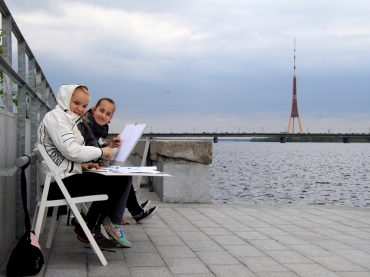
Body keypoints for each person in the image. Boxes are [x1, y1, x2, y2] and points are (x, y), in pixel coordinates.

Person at [38, 84, 132, 248]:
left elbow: (63, 155)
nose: (80, 109)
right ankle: (89, 228)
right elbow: (72, 151)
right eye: (76, 103)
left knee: (118, 179)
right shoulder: (56, 117)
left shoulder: (65, 119)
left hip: (61, 179)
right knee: (118, 181)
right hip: (55, 185)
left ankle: (89, 226)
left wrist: (83, 166)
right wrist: (102, 152)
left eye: (84, 105)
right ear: (65, 99)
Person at [78, 97, 157, 224]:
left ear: (111, 118)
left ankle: (135, 210)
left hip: (82, 169)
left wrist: (109, 146)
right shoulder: (86, 125)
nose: (103, 116)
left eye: (108, 114)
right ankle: (120, 216)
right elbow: (91, 153)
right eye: (101, 111)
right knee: (121, 178)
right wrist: (108, 149)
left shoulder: (94, 126)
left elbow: (94, 150)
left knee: (122, 176)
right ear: (93, 110)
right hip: (79, 174)